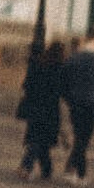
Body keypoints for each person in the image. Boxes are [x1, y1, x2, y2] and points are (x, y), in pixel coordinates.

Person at [59, 28, 94, 180]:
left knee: (79, 134)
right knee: (84, 137)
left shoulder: (74, 58)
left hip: (75, 101)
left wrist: (67, 96)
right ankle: (79, 173)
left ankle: (72, 168)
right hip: (93, 102)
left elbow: (63, 77)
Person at [15, 36, 64, 180]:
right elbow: (60, 90)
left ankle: (47, 170)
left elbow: (27, 85)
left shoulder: (38, 65)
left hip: (35, 108)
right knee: (40, 142)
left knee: (38, 140)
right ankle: (26, 167)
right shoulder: (59, 69)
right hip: (50, 110)